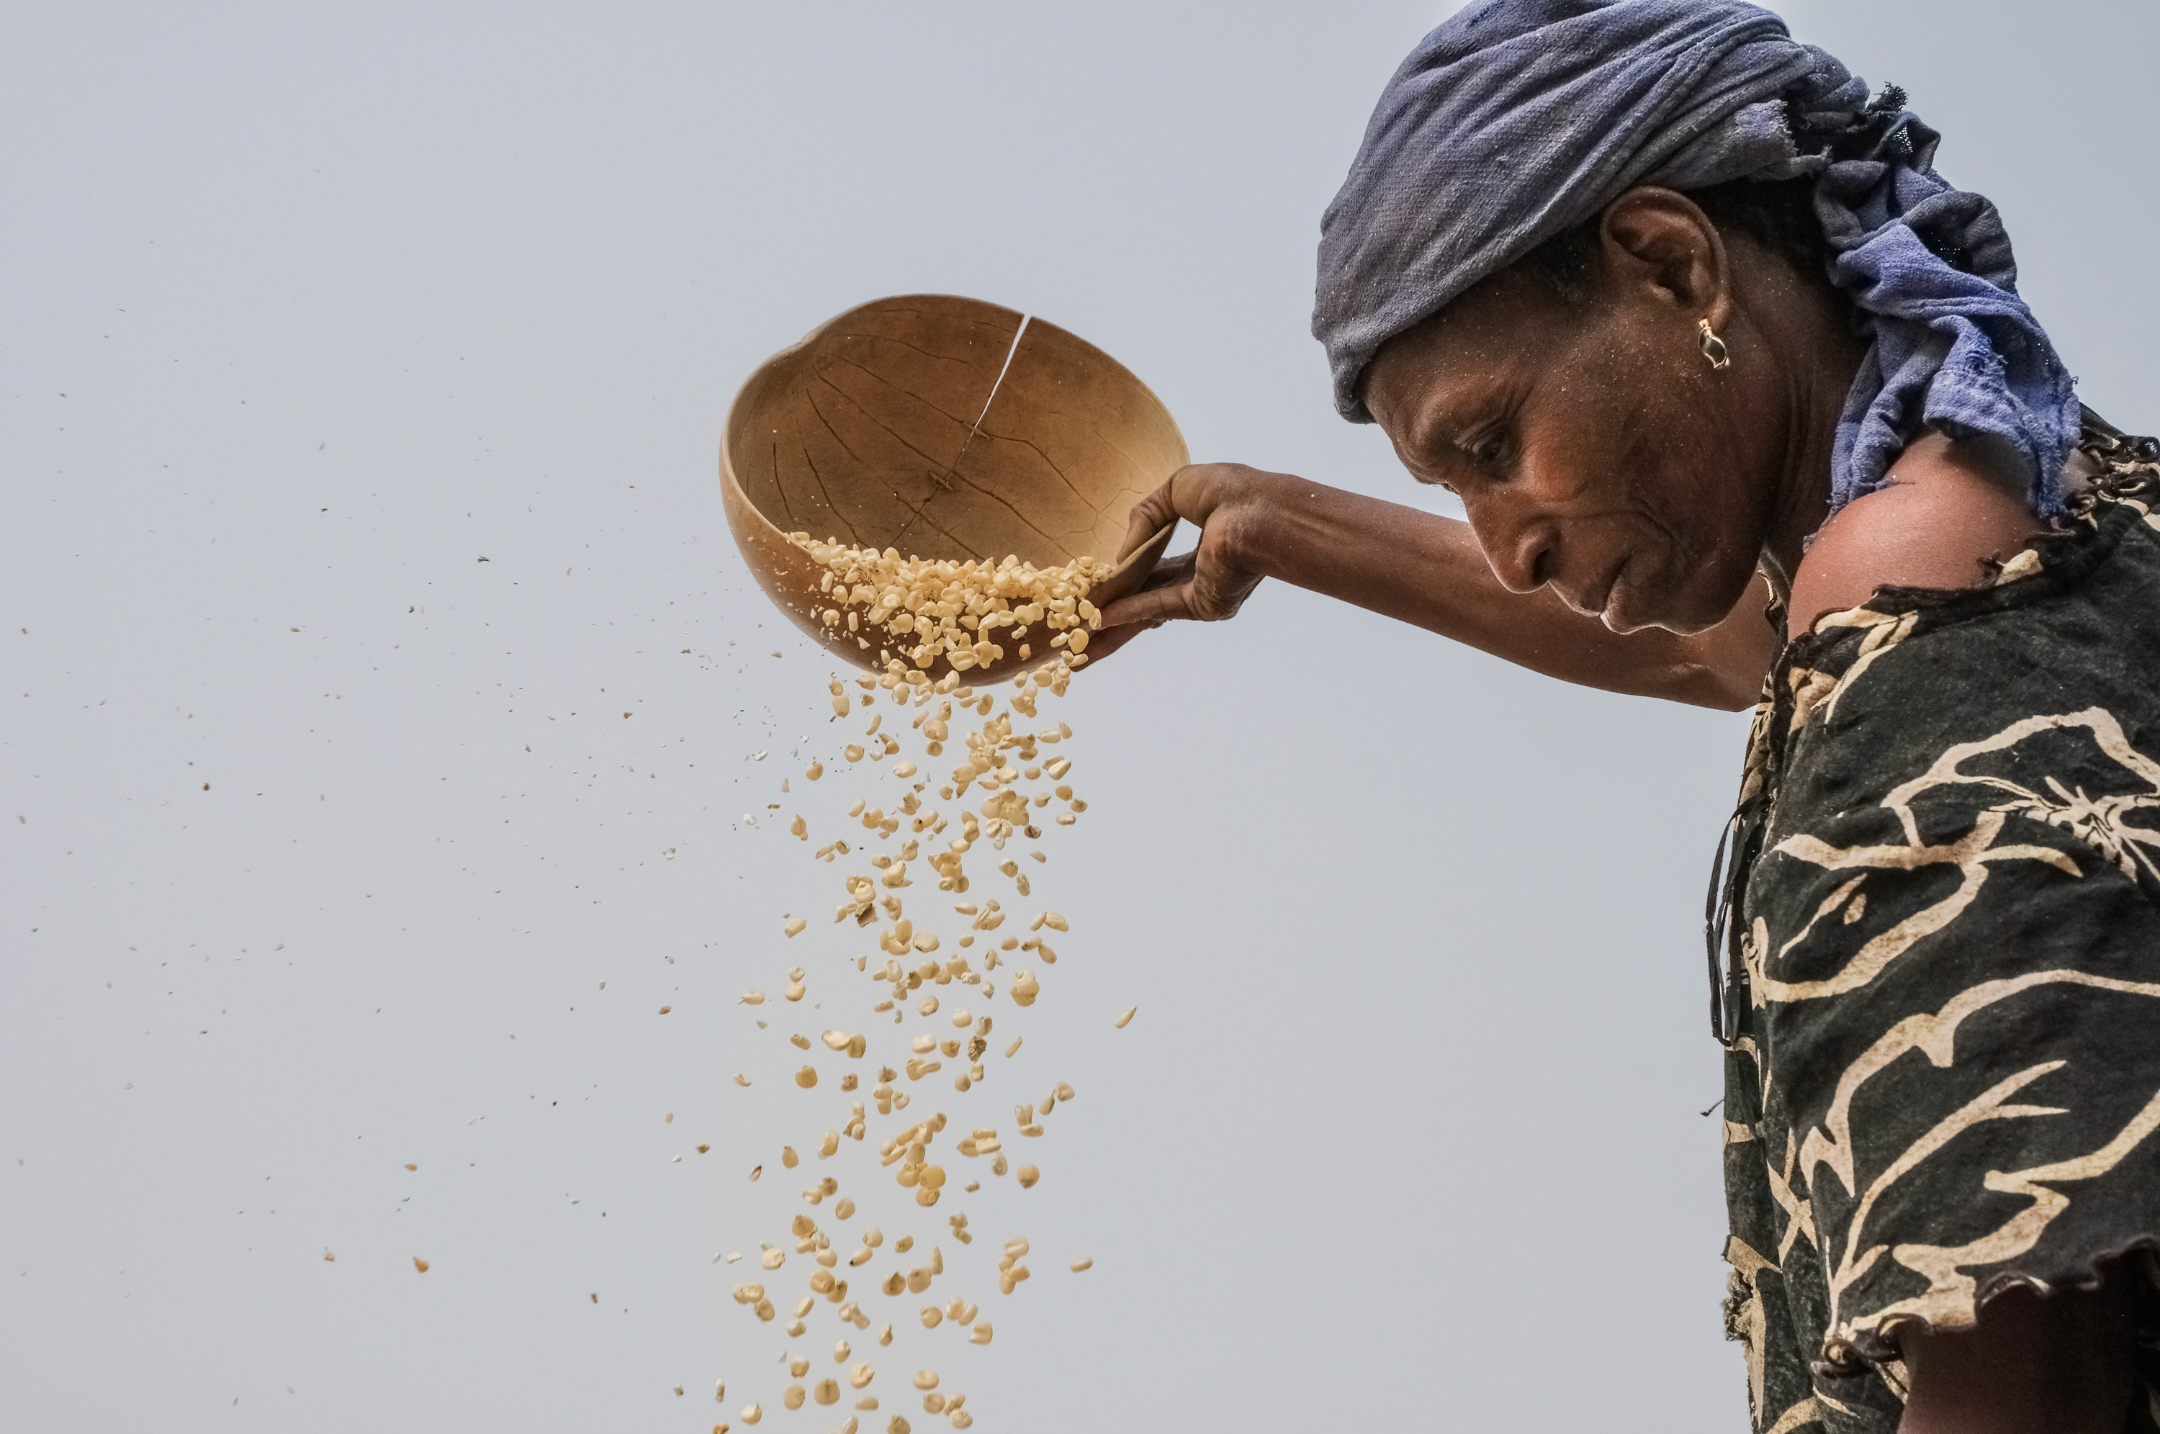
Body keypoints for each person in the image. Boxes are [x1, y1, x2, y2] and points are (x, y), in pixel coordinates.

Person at [1092, 2, 2160, 1430]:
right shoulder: (2026, 504)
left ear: (1669, 264)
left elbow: (2033, 1372)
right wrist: (1272, 525)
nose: (1509, 540)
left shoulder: (1908, 591)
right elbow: (1713, 655)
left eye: (1493, 446)